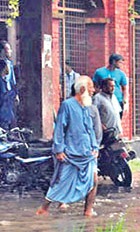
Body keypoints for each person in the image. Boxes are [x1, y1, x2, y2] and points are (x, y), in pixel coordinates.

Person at [36, 76, 99, 217]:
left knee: (94, 180)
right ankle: (44, 208)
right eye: (91, 87)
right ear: (82, 89)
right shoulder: (67, 105)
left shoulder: (86, 106)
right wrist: (59, 150)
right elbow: (59, 129)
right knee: (61, 183)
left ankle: (88, 211)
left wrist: (95, 147)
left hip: (88, 153)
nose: (93, 90)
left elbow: (90, 129)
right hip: (71, 153)